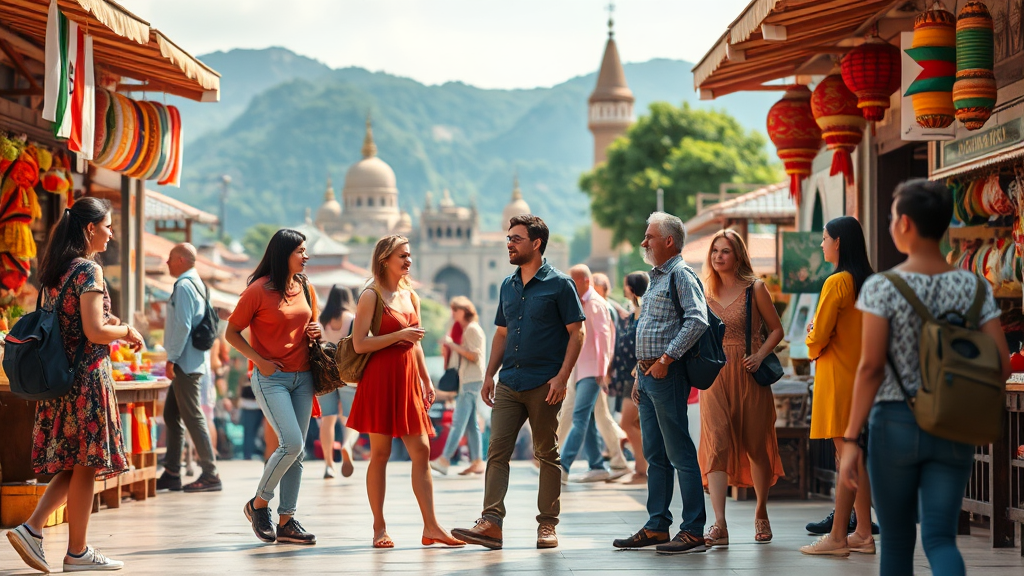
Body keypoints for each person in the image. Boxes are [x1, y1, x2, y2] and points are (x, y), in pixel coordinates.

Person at [838, 179, 1010, 576]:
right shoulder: (975, 286)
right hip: (953, 424)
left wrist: (850, 440)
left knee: (897, 542)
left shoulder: (882, 287)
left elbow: (871, 367)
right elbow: (1001, 366)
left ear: (907, 225)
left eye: (893, 216)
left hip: (894, 423)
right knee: (940, 539)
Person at [5, 198, 142, 572]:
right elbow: (94, 330)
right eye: (109, 226)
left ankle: (35, 530)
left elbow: (68, 324)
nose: (112, 234)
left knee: (74, 464)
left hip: (61, 381)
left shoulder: (56, 272)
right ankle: (75, 551)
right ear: (90, 228)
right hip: (86, 381)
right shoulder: (88, 271)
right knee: (86, 464)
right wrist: (127, 331)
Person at [452, 214, 585, 550]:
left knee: (546, 453)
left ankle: (547, 525)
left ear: (536, 243)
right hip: (510, 381)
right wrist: (488, 375)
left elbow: (577, 333)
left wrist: (562, 377)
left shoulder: (560, 284)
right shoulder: (507, 286)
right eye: (508, 238)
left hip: (545, 383)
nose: (509, 244)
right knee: (497, 451)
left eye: (516, 238)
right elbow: (501, 333)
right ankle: (491, 523)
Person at [346, 235, 464, 549]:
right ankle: (379, 528)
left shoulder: (412, 295)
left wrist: (427, 382)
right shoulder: (370, 295)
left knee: (422, 451)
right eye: (403, 255)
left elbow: (417, 342)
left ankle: (431, 527)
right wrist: (400, 334)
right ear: (385, 258)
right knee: (380, 455)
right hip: (381, 379)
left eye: (409, 255)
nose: (409, 261)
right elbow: (359, 344)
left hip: (409, 378)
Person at [612, 211, 707, 555]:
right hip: (648, 377)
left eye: (649, 236)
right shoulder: (657, 277)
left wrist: (666, 359)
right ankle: (656, 525)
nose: (643, 242)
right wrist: (641, 371)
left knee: (679, 453)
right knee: (655, 456)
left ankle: (693, 528)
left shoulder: (681, 274)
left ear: (669, 241)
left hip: (667, 375)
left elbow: (698, 320)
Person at [226, 229, 322, 546]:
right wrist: (258, 361)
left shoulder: (304, 286)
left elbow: (312, 323)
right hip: (271, 378)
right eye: (300, 251)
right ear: (284, 255)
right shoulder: (257, 290)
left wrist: (316, 330)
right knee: (291, 443)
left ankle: (286, 521)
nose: (306, 256)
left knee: (299, 453)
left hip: (304, 377)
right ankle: (258, 504)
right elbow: (232, 332)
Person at [698, 230, 785, 548]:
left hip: (749, 373)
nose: (718, 256)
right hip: (714, 376)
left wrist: (759, 355)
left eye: (725, 251)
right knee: (716, 444)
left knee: (755, 446)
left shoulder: (755, 288)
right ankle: (719, 523)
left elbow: (776, 329)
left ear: (738, 256)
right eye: (714, 251)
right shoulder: (703, 291)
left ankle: (761, 510)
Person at [800, 217, 877, 556]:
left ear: (839, 243)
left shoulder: (837, 282)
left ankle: (837, 537)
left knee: (847, 455)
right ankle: (862, 532)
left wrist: (811, 342)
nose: (821, 244)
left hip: (837, 378)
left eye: (825, 237)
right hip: (863, 377)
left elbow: (818, 336)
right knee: (855, 455)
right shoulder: (871, 282)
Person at [156, 243, 222, 493]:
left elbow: (183, 326)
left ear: (182, 260)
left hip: (185, 361)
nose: (167, 263)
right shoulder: (199, 285)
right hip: (195, 360)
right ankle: (172, 471)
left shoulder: (184, 285)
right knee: (172, 414)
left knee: (193, 416)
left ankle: (211, 473)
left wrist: (171, 358)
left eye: (171, 258)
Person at [559, 264, 626, 483]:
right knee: (587, 418)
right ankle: (597, 465)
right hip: (581, 369)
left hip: (592, 370)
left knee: (579, 417)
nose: (571, 286)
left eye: (574, 282)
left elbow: (604, 337)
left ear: (586, 281)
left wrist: (603, 369)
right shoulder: (581, 303)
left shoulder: (596, 304)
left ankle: (563, 466)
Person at [430, 296, 487, 476]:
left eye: (455, 310)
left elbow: (474, 356)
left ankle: (444, 459)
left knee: (458, 422)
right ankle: (477, 461)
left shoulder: (471, 329)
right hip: (468, 380)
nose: (452, 313)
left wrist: (452, 345)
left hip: (471, 380)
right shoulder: (466, 329)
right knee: (470, 424)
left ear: (463, 311)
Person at [609, 271, 650, 485]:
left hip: (636, 376)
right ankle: (641, 468)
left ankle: (643, 467)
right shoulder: (632, 311)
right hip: (627, 375)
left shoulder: (643, 312)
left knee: (626, 422)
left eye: (625, 285)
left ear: (632, 288)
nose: (623, 288)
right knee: (633, 422)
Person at [317, 285, 358, 479]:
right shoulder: (351, 319)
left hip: (325, 374)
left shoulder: (321, 320)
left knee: (328, 419)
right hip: (347, 374)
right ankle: (346, 445)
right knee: (350, 418)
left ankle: (328, 465)